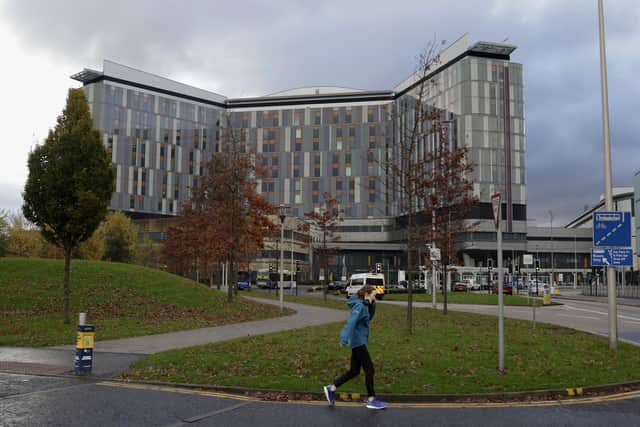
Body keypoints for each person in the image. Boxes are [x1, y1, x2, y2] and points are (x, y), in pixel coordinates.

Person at [323, 285, 387, 409]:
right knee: (370, 369)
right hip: (358, 342)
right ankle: (371, 399)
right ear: (366, 294)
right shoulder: (359, 306)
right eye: (373, 295)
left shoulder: (365, 305)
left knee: (354, 371)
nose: (375, 297)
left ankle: (331, 388)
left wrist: (372, 305)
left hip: (359, 341)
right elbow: (351, 322)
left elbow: (369, 319)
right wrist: (343, 338)